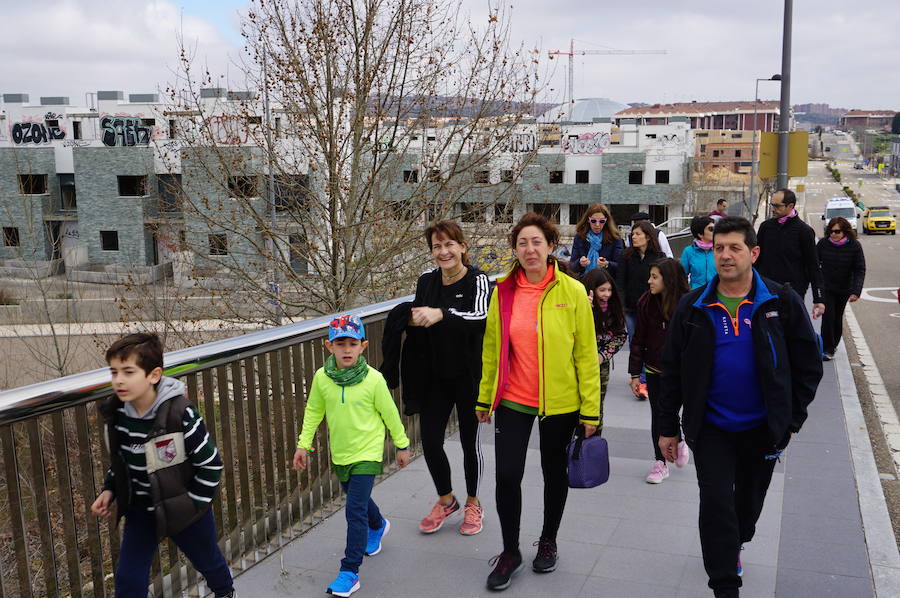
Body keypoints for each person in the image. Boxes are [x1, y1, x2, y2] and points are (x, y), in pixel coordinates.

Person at [658, 217, 823, 598]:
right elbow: (672, 371)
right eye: (719, 248)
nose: (726, 255)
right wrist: (667, 426)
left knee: (747, 507)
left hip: (763, 428)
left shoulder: (780, 302)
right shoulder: (692, 306)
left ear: (754, 252)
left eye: (734, 247)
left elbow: (808, 365)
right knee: (716, 504)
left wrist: (792, 419)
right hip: (711, 427)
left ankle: (738, 539)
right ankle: (725, 583)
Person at [475, 212, 600, 591]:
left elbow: (586, 354)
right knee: (507, 475)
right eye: (522, 243)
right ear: (515, 249)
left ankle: (548, 540)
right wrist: (484, 398)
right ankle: (510, 551)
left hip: (561, 403)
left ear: (550, 246)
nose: (530, 249)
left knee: (553, 473)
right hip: (513, 399)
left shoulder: (572, 291)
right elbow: (492, 349)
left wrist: (591, 409)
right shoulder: (503, 291)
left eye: (537, 242)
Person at [91, 333, 235, 598]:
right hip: (141, 512)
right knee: (128, 580)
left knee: (208, 561)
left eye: (128, 371)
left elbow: (211, 464)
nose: (118, 380)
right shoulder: (117, 415)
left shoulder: (179, 413)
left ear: (153, 375)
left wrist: (195, 504)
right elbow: (121, 461)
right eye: (114, 372)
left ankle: (226, 592)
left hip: (185, 509)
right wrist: (110, 489)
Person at [293, 315, 411, 597]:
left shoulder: (374, 379)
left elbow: (390, 413)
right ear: (328, 346)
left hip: (368, 452)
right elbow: (313, 413)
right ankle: (379, 525)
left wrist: (402, 444)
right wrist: (303, 445)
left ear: (363, 346)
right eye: (340, 343)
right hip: (341, 453)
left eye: (352, 343)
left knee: (353, 510)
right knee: (358, 501)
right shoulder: (323, 378)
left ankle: (350, 571)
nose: (347, 349)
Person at [409, 220, 489, 535]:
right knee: (429, 441)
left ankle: (473, 503)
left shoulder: (478, 280)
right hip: (436, 375)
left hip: (470, 376)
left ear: (462, 247)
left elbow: (480, 317)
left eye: (449, 245)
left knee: (471, 444)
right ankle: (447, 499)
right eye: (437, 246)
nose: (444, 252)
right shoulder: (426, 281)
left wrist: (443, 313)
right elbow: (416, 315)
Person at [629, 258, 691, 483]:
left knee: (678, 411)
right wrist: (635, 373)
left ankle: (680, 440)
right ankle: (659, 463)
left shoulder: (688, 304)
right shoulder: (646, 302)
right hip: (655, 369)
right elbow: (638, 339)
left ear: (670, 280)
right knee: (659, 413)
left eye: (654, 277)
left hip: (683, 372)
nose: (649, 281)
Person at [755, 188, 825, 320]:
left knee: (790, 333)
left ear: (791, 206)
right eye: (772, 204)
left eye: (777, 206)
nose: (772, 209)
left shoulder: (804, 231)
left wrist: (819, 298)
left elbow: (813, 266)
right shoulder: (765, 227)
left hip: (793, 292)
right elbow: (757, 259)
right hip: (766, 290)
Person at [816, 216, 866, 360]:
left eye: (837, 231)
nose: (833, 234)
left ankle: (833, 344)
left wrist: (856, 291)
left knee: (837, 318)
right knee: (828, 317)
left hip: (844, 289)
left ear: (844, 231)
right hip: (827, 287)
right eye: (830, 231)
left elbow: (860, 269)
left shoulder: (855, 246)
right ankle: (827, 349)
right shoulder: (823, 244)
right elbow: (814, 264)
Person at [582, 268, 628, 419]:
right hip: (578, 364)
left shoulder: (614, 308)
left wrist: (602, 356)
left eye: (609, 290)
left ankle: (593, 441)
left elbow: (621, 336)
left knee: (596, 407)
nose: (606, 294)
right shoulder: (580, 305)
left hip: (600, 365)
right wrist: (584, 311)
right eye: (602, 290)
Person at [568, 203, 625, 278]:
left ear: (606, 221)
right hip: (585, 280)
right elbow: (572, 266)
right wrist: (580, 263)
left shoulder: (615, 239)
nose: (597, 225)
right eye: (593, 221)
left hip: (607, 282)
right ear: (588, 220)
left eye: (601, 221)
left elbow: (621, 266)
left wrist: (607, 264)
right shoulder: (580, 237)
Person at [681, 216, 716, 289]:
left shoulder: (719, 250)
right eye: (711, 229)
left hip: (715, 295)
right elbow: (681, 276)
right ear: (700, 234)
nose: (715, 231)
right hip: (696, 295)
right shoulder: (688, 251)